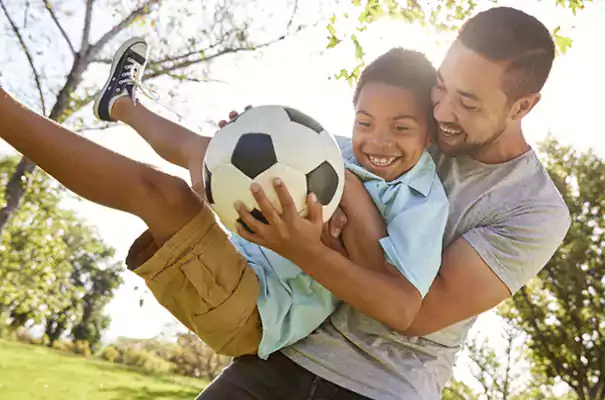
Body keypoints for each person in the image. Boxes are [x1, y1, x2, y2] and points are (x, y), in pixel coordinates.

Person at [194, 6, 572, 400]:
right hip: (285, 353)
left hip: (383, 385)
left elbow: (416, 314)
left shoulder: (533, 209)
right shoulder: (399, 132)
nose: (442, 111)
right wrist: (246, 143)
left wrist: (316, 237)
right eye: (441, 85)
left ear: (523, 106)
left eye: (468, 103)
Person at [93, 38, 448, 360]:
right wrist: (241, 142)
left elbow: (396, 300)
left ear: (429, 134)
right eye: (365, 124)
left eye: (400, 128)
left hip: (265, 307)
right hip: (244, 251)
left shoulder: (422, 200)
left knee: (158, 193)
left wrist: (346, 195)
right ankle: (120, 104)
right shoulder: (333, 149)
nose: (378, 142)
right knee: (205, 151)